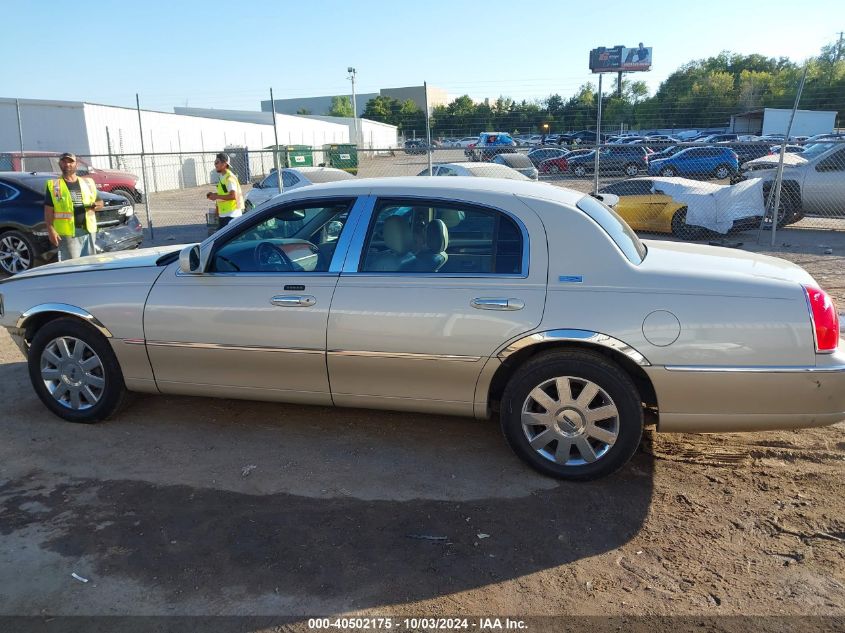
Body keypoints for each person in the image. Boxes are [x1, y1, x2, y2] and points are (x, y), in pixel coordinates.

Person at [44, 152, 104, 261]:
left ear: (76, 164)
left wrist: (97, 206)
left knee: (90, 264)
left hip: (88, 231)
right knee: (71, 266)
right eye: (64, 162)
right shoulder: (54, 185)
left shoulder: (88, 183)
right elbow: (48, 210)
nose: (67, 164)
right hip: (68, 234)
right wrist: (51, 229)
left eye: (70, 162)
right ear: (60, 164)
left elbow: (100, 202)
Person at [206, 152, 244, 229]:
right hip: (225, 215)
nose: (215, 165)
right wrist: (214, 196)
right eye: (214, 162)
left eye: (217, 162)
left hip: (232, 216)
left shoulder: (229, 178)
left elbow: (233, 196)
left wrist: (216, 196)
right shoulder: (222, 177)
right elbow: (223, 193)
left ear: (224, 163)